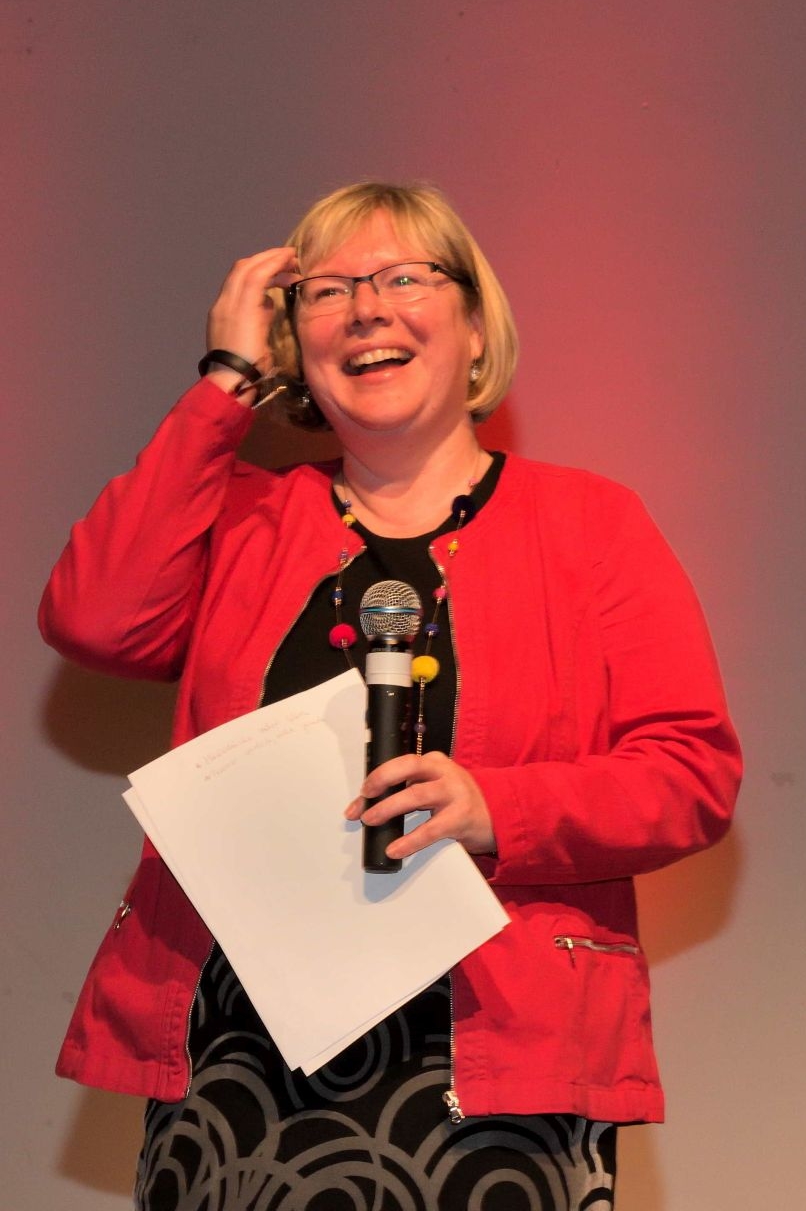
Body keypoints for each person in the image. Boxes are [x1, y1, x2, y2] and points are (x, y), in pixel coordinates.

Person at [41, 182, 742, 1208]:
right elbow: (96, 619)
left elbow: (690, 776)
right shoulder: (239, 520)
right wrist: (226, 383)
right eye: (328, 291)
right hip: (242, 1057)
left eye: (406, 278)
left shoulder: (591, 525)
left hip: (498, 1056)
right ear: (296, 345)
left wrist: (498, 806)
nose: (367, 309)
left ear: (474, 327)